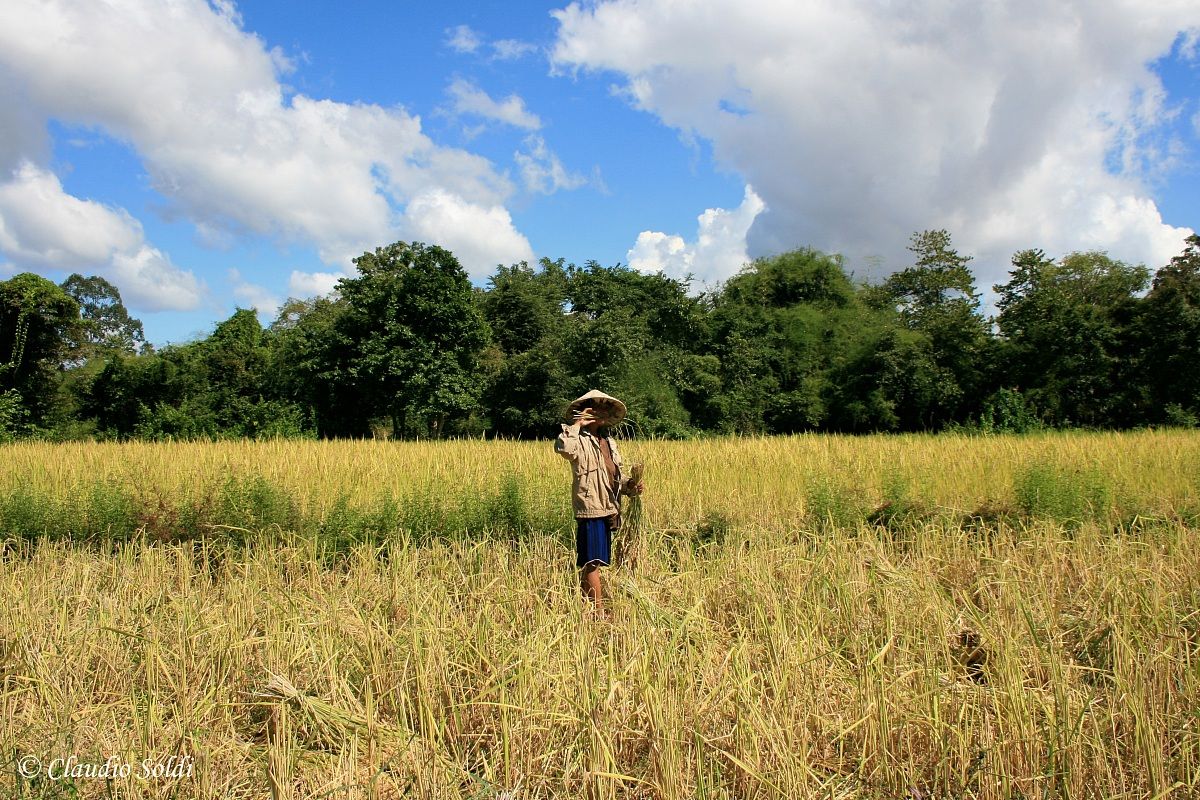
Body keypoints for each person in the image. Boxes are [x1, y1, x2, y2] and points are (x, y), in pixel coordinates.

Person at [554, 389, 644, 616]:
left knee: (595, 561)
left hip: (609, 506)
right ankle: (599, 611)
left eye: (606, 408)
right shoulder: (577, 438)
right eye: (596, 408)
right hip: (590, 506)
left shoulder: (608, 443)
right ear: (586, 411)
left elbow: (614, 476)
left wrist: (630, 486)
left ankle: (589, 608)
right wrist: (578, 425)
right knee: (592, 561)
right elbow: (563, 449)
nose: (602, 412)